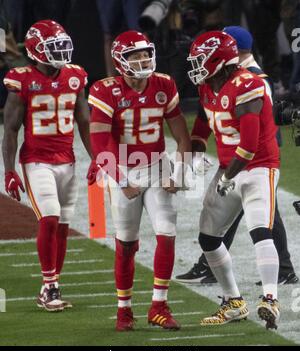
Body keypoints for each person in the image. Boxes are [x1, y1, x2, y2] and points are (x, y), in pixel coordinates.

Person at [176, 26, 299, 286]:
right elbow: (204, 116)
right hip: (234, 153)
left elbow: (260, 124)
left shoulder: (251, 79)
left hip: (254, 152)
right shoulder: (216, 78)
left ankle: (214, 265)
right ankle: (281, 268)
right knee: (255, 212)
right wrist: (196, 152)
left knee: (254, 212)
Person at [87, 30, 191, 331]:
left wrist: (180, 173)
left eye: (146, 53)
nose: (143, 59)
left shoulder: (164, 84)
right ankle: (124, 309)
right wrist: (121, 179)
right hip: (123, 167)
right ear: (121, 61)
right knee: (127, 244)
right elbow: (100, 143)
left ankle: (159, 305)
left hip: (157, 166)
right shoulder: (105, 90)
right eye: (135, 55)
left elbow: (181, 135)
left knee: (167, 233)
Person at [186, 30, 280, 330]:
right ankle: (234, 301)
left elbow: (250, 146)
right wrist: (197, 150)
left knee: (260, 231)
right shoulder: (207, 86)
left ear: (218, 59)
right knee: (208, 237)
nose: (196, 65)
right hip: (229, 167)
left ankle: (270, 299)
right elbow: (202, 125)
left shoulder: (247, 84)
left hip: (258, 167)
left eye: (201, 59)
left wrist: (227, 176)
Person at [2, 20, 92, 312]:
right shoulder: (22, 79)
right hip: (36, 161)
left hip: (67, 161)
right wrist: (9, 169)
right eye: (54, 46)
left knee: (63, 226)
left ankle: (50, 285)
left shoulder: (76, 76)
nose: (62, 51)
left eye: (63, 44)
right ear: (35, 50)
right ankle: (50, 286)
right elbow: (11, 129)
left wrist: (99, 158)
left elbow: (85, 123)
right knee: (50, 219)